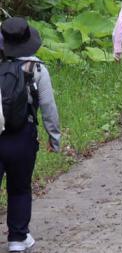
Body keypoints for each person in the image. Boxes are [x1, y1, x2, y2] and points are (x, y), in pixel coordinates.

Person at [0, 17, 60, 252]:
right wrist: (54, 139)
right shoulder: (36, 69)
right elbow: (48, 108)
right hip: (22, 135)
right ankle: (17, 238)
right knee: (19, 187)